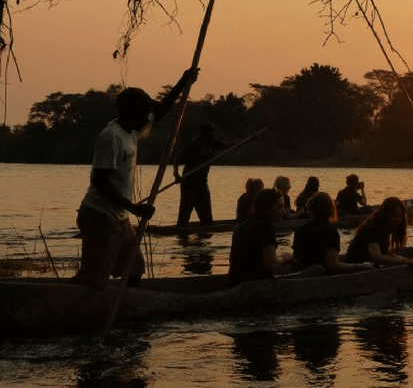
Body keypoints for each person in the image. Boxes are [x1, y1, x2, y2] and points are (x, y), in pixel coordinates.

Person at [69, 68, 199, 289]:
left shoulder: (133, 129)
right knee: (93, 280)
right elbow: (99, 182)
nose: (147, 119)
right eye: (143, 114)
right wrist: (134, 208)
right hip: (100, 216)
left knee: (134, 269)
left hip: (119, 218)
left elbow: (160, 112)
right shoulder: (112, 137)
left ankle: (126, 313)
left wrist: (183, 83)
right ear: (128, 112)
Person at [292, 192, 374, 275]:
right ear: (331, 209)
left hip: (300, 272)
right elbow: (333, 266)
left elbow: (296, 257)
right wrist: (363, 267)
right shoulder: (330, 231)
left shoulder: (300, 229)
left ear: (310, 209)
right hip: (319, 277)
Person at [228, 188, 290, 286]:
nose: (284, 211)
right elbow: (271, 264)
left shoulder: (242, 226)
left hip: (235, 281)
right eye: (279, 207)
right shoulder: (267, 227)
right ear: (267, 209)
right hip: (255, 284)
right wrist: (284, 257)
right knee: (317, 269)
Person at [173, 122, 229, 227]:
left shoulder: (212, 143)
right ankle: (182, 234)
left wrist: (249, 140)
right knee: (185, 212)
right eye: (212, 131)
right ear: (207, 132)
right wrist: (176, 174)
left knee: (206, 215)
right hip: (189, 182)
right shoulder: (194, 144)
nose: (214, 133)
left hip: (202, 183)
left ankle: (205, 234)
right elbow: (177, 158)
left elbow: (228, 145)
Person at [344, 196, 413, 267]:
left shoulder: (384, 230)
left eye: (400, 216)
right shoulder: (373, 228)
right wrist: (405, 261)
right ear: (385, 215)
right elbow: (377, 257)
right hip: (355, 268)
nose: (397, 219)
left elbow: (386, 253)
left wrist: (405, 260)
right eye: (393, 215)